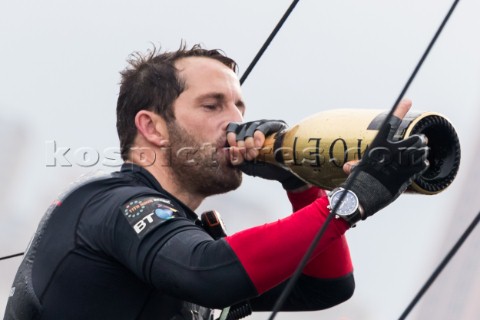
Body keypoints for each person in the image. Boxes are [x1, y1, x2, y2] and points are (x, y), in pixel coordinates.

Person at [4, 44, 429, 320]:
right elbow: (209, 273)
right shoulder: (110, 205)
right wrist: (354, 197)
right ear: (152, 127)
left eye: (239, 107)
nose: (236, 122)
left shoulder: (179, 235)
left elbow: (325, 286)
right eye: (213, 105)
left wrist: (299, 184)